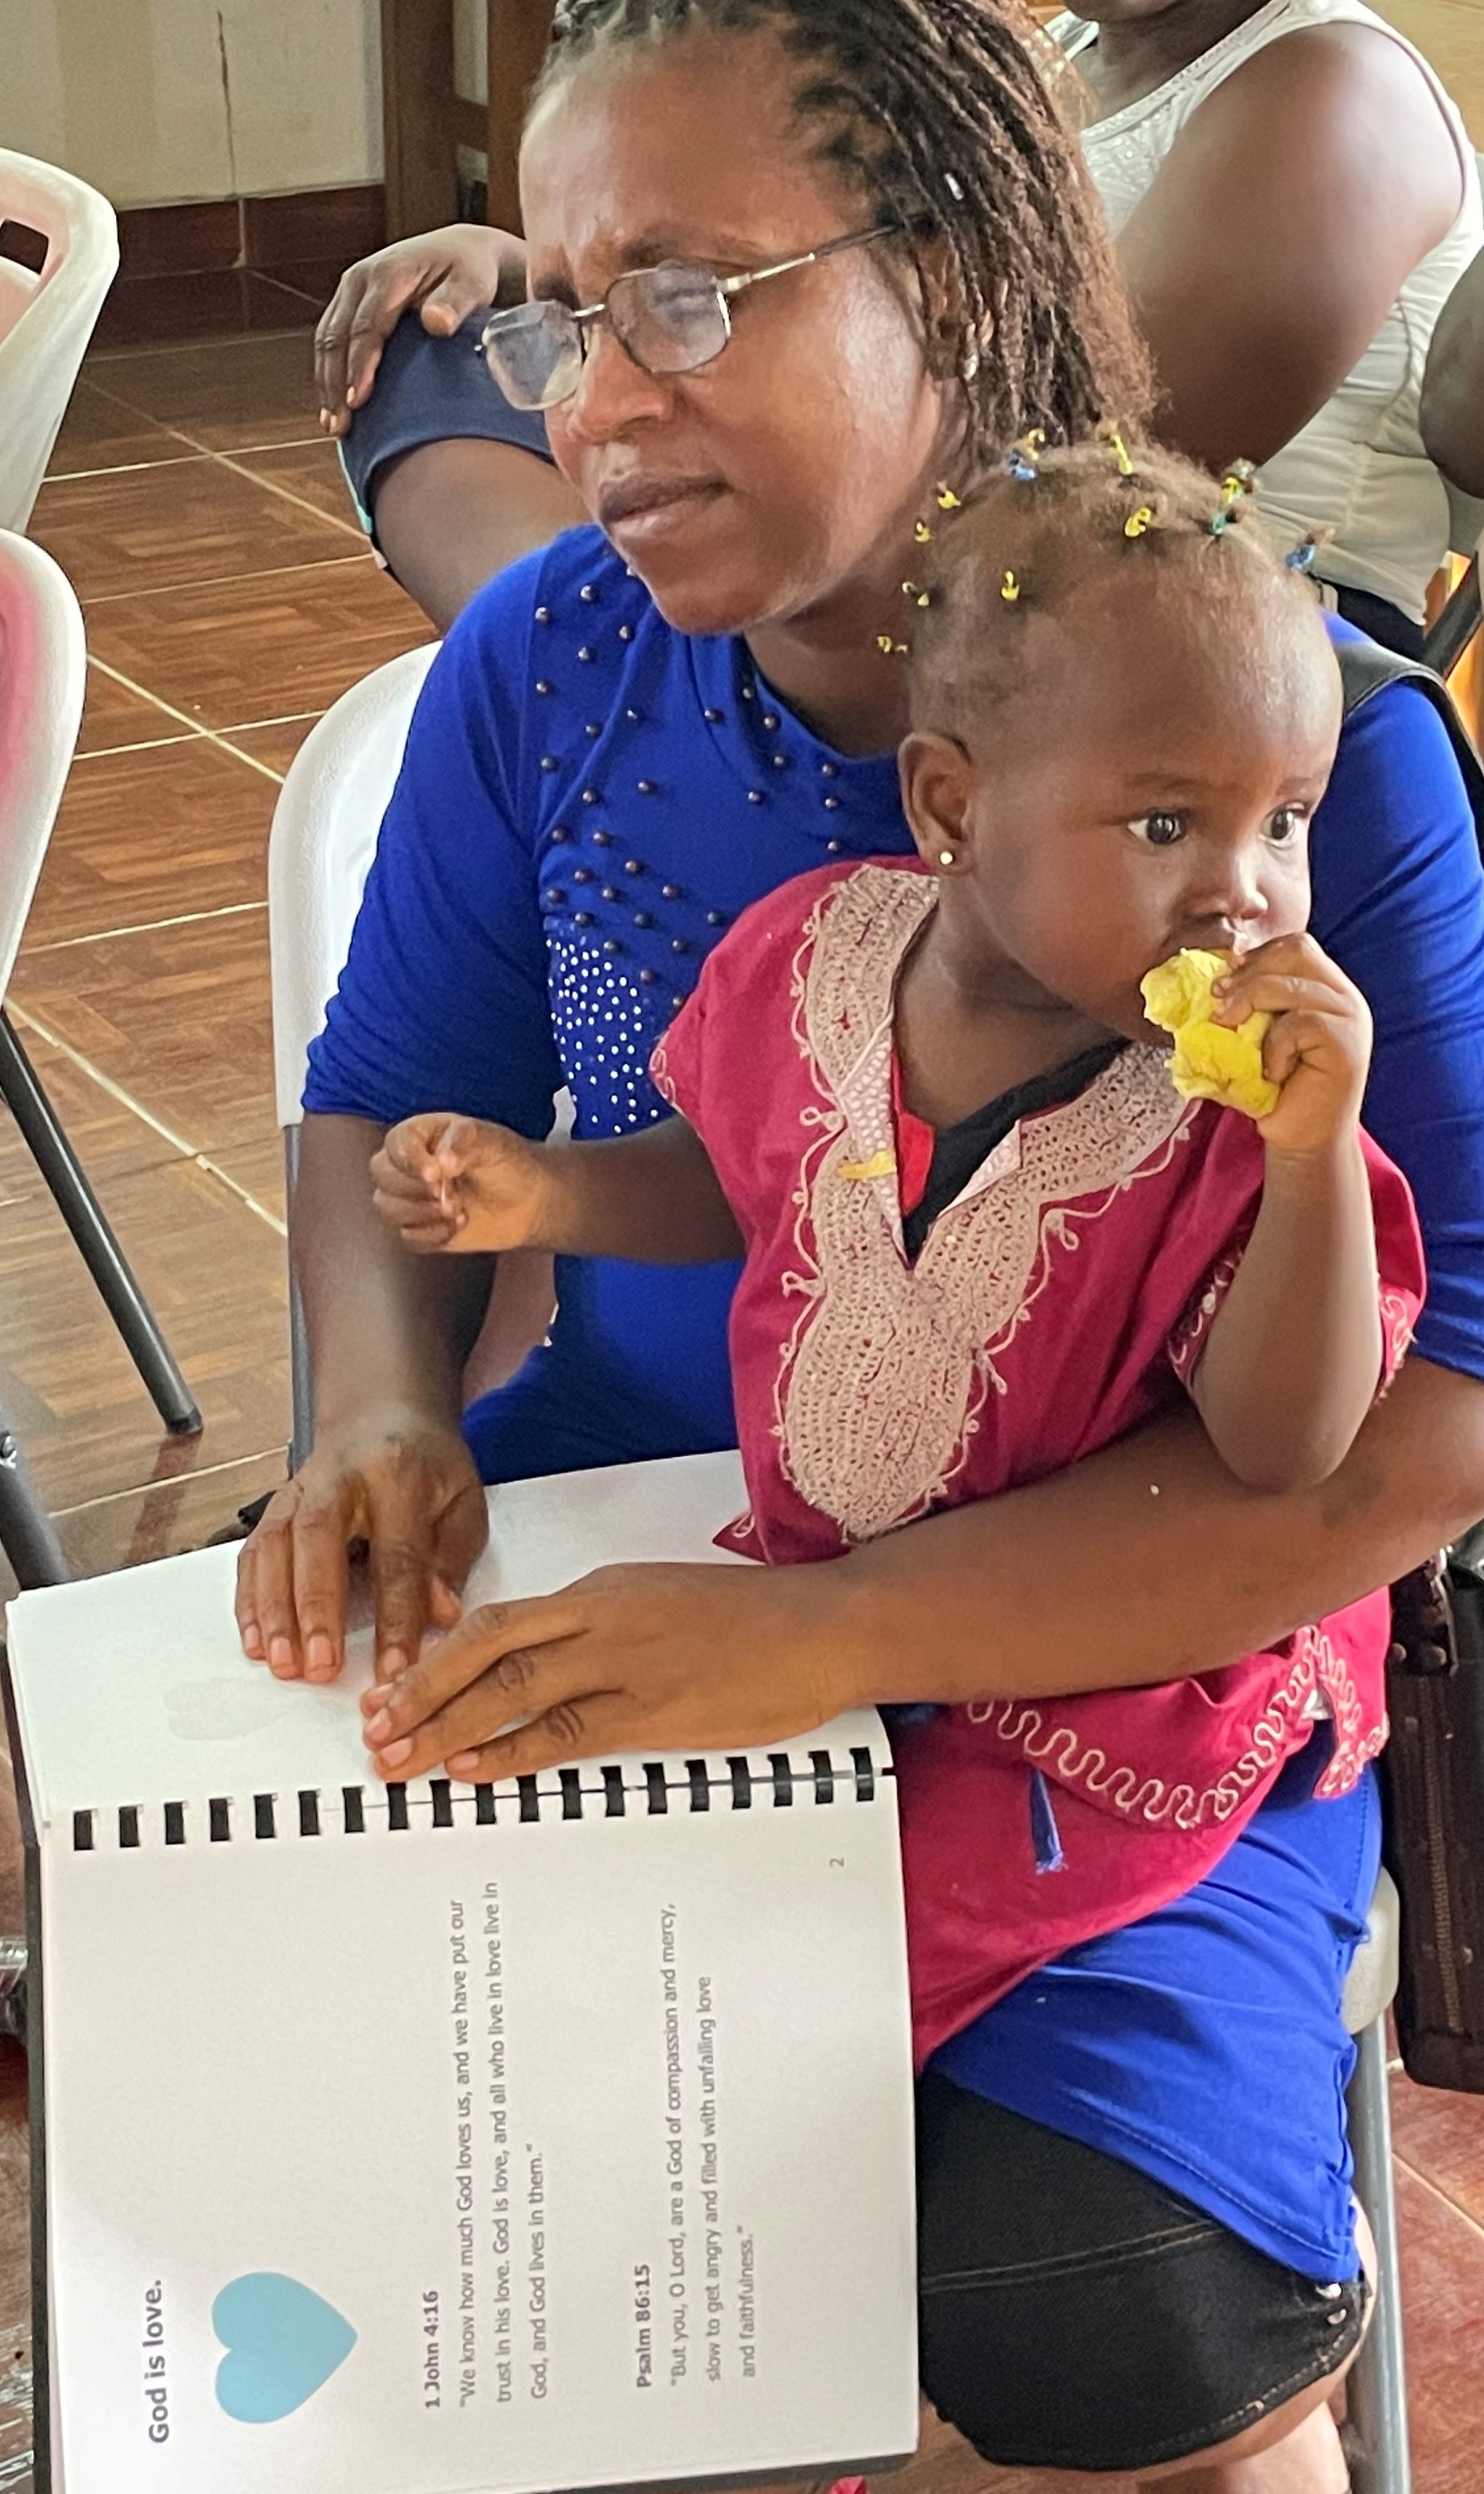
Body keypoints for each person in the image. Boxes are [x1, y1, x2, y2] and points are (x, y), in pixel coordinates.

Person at [236, 1, 1484, 2482]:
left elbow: (1417, 1443)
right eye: (565, 314)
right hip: (643, 1540)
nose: (590, 407)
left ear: (950, 270)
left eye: (686, 294)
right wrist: (382, 1408)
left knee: (1108, 2317)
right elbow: (395, 1102)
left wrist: (826, 1635)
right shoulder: (553, 674)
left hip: (1127, 1681)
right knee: (468, 2215)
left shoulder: (1267, 759)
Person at [364, 438, 1426, 2067]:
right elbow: (738, 1179)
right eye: (1164, 821)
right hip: (821, 1585)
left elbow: (1286, 1447)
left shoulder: (1244, 1127)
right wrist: (551, 1196)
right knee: (526, 1862)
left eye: (1281, 821)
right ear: (948, 802)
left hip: (1106, 1680)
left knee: (805, 1983)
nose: (1244, 896)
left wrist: (1306, 1172)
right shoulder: (817, 957)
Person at [313, 0, 1479, 650]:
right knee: (436, 348)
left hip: (1148, 632)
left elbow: (1095, 464)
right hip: (894, 528)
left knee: (639, 545)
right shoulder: (1056, 59)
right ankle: (612, 650)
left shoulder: (1331, 85)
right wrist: (578, 280)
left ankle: (593, 664)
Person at [1047, 0, 1483, 656]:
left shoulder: (1340, 90)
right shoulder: (1057, 46)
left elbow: (1082, 469)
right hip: (1025, 608)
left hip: (1247, 670)